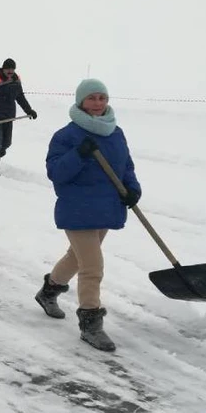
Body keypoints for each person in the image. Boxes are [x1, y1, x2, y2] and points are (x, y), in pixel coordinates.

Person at [34, 78, 142, 352]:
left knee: (76, 257)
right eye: (92, 98)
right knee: (92, 266)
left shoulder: (115, 133)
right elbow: (56, 172)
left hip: (106, 206)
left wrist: (132, 189)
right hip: (78, 207)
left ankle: (49, 291)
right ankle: (90, 323)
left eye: (102, 98)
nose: (97, 103)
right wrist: (78, 155)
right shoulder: (67, 136)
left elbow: (126, 165)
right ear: (81, 101)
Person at [0, 58, 37, 175]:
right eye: (8, 70)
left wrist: (29, 110)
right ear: (3, 68)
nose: (11, 72)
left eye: (13, 70)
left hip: (8, 117)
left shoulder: (16, 80)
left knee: (6, 143)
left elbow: (20, 97)